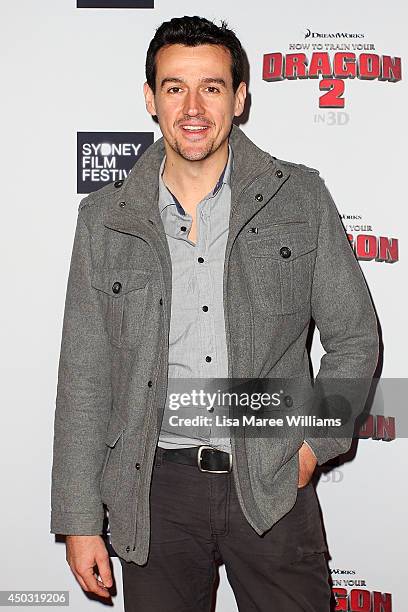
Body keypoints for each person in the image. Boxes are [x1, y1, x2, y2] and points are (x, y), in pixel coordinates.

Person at [50, 15, 379, 612]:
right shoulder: (104, 219)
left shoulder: (298, 197)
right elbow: (85, 374)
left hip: (273, 478)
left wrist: (311, 448)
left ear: (240, 97)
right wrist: (79, 520)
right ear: (151, 98)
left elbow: (355, 336)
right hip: (155, 492)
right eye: (175, 87)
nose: (193, 107)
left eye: (213, 86)